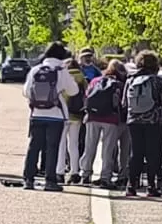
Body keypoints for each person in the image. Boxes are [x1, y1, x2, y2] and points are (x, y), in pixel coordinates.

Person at [22, 43, 80, 191]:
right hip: (56, 115)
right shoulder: (61, 71)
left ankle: (28, 179)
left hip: (36, 114)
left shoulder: (35, 70)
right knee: (52, 147)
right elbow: (74, 91)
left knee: (34, 146)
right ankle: (50, 180)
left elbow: (26, 91)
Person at [123, 51, 162, 198]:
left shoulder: (130, 80)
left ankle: (131, 185)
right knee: (153, 153)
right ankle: (151, 186)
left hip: (133, 120)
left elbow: (124, 103)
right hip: (153, 121)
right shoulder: (157, 81)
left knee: (136, 153)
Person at [80, 60, 127, 187]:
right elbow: (123, 103)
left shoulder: (95, 81)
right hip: (111, 119)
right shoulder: (120, 84)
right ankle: (105, 177)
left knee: (89, 146)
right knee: (107, 149)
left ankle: (85, 174)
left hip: (92, 117)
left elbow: (87, 96)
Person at [57, 58, 88, 185]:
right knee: (74, 144)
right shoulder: (83, 78)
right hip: (77, 115)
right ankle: (75, 172)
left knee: (61, 144)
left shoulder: (64, 77)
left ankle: (60, 172)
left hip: (63, 114)